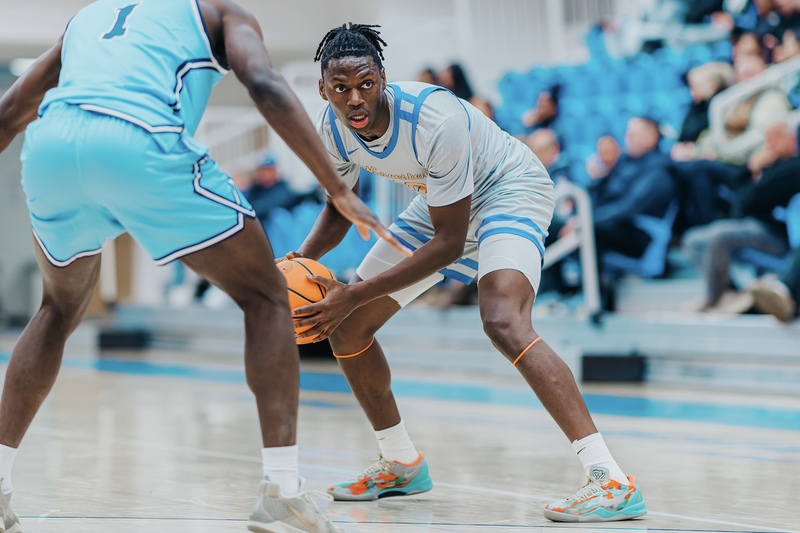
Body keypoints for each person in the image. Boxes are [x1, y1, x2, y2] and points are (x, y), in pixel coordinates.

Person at [0, 3, 409, 533]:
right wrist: (337, 188)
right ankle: (282, 492)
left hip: (50, 150)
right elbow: (263, 83)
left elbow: (12, 110)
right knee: (266, 295)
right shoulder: (221, 13)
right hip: (138, 139)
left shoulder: (88, 17)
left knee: (56, 309)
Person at [286, 22, 647, 522]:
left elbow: (449, 244)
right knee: (348, 328)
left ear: (383, 77)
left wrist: (353, 292)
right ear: (323, 89)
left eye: (366, 83)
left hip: (508, 188)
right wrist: (296, 262)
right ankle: (401, 463)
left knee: (503, 320)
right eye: (341, 88)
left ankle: (611, 480)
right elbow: (339, 206)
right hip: (440, 204)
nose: (355, 99)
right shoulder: (330, 128)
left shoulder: (435, 119)